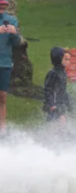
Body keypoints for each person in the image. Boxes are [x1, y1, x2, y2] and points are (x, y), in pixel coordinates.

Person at [0, 0, 21, 134]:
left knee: (2, 96)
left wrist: (15, 34)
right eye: (0, 4)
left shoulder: (11, 20)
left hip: (5, 63)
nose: (2, 7)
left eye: (4, 5)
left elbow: (17, 43)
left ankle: (2, 130)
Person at [43, 47, 71, 125]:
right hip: (53, 104)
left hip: (60, 103)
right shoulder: (53, 73)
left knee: (58, 122)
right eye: (66, 59)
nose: (68, 62)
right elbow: (48, 90)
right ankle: (53, 136)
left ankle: (53, 135)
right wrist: (52, 104)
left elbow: (63, 90)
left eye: (69, 59)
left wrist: (67, 102)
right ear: (58, 59)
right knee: (59, 121)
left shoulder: (63, 73)